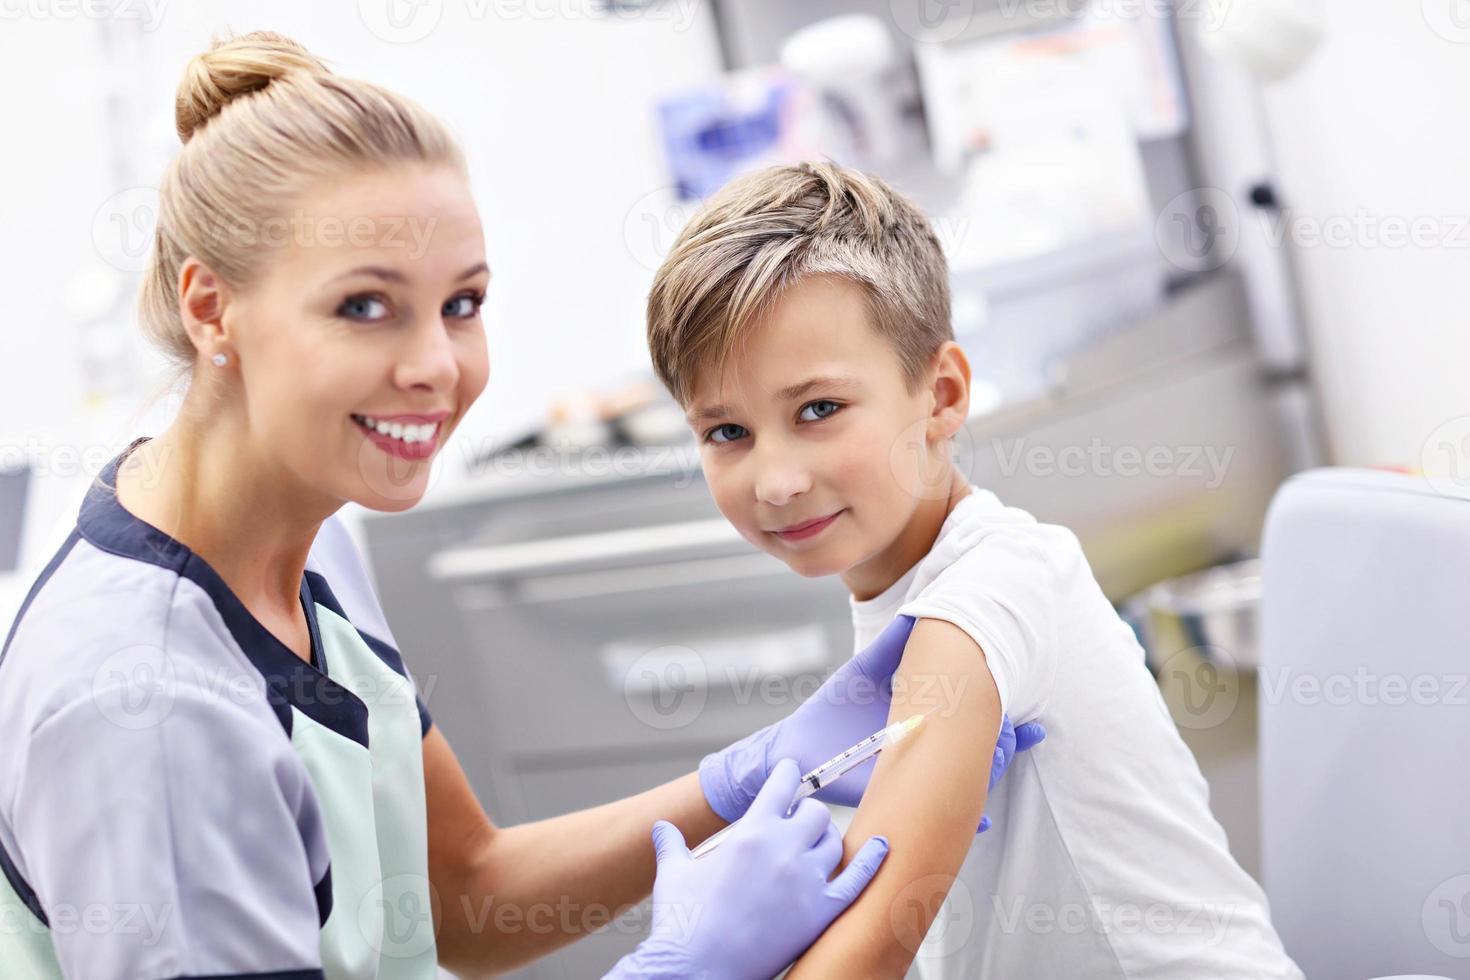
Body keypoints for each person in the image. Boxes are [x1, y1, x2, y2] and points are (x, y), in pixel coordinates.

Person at [0, 33, 1040, 980]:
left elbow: (463, 895)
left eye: (462, 303)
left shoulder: (308, 540)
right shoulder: (149, 712)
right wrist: (681, 966)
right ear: (210, 305)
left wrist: (741, 776)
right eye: (364, 306)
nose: (435, 364)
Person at [644, 160, 1306, 978]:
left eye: (818, 410)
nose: (775, 480)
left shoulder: (984, 593)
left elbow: (870, 954)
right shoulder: (904, 594)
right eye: (725, 432)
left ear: (943, 395)